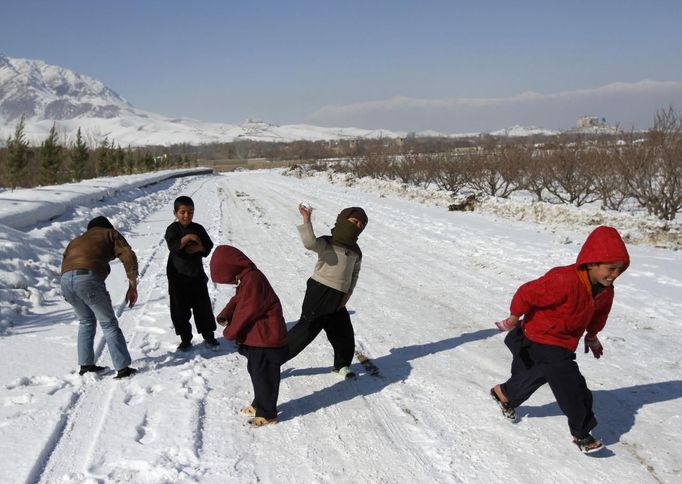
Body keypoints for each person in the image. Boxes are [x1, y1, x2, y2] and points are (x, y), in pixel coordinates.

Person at [491, 225, 630, 453]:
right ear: (592, 262)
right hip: (541, 335)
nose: (615, 274)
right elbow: (527, 293)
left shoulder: (606, 290)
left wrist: (592, 336)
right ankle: (582, 433)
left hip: (563, 342)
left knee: (538, 373)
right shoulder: (563, 279)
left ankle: (504, 393)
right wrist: (514, 317)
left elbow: (599, 314)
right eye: (611, 268)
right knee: (572, 385)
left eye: (620, 269)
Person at [286, 204, 368, 379]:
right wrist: (307, 220)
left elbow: (355, 273)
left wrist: (348, 294)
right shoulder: (327, 242)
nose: (357, 226)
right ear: (343, 220)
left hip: (339, 296)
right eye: (354, 221)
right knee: (305, 332)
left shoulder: (356, 251)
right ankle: (270, 360)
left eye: (361, 225)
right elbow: (310, 243)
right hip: (319, 292)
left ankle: (341, 366)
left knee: (343, 333)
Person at [210, 245, 288, 427]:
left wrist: (230, 331)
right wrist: (226, 314)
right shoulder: (245, 278)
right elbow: (238, 300)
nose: (229, 282)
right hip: (257, 337)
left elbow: (247, 309)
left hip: (266, 338)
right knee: (255, 371)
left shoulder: (253, 279)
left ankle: (267, 413)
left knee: (265, 375)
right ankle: (259, 403)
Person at [60, 216, 138, 379]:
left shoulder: (76, 240)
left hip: (66, 280)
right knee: (108, 323)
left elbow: (66, 262)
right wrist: (132, 283)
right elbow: (127, 254)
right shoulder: (110, 233)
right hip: (87, 277)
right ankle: (123, 368)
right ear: (107, 227)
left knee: (86, 321)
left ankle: (86, 365)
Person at [165, 195, 217, 351]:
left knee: (203, 307)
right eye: (182, 212)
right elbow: (173, 246)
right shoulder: (172, 229)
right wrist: (188, 237)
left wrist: (199, 247)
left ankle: (209, 336)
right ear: (175, 213)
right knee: (180, 309)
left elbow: (208, 247)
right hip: (177, 276)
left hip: (196, 274)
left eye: (190, 212)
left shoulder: (198, 228)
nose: (186, 215)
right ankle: (185, 339)